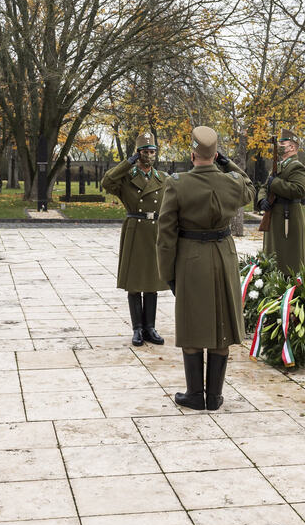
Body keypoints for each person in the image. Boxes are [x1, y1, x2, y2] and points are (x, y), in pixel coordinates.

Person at [157, 126, 255, 410]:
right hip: (223, 256)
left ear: (192, 154)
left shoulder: (177, 183)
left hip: (191, 258)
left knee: (192, 323)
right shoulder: (232, 182)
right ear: (214, 155)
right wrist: (228, 164)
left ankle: (195, 395)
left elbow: (166, 235)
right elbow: (249, 186)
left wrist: (168, 274)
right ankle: (214, 396)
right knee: (220, 322)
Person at [101, 133, 169, 346]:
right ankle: (137, 328)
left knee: (152, 282)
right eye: (146, 152)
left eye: (153, 151)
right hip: (135, 229)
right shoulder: (126, 178)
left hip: (155, 231)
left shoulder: (162, 178)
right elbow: (106, 181)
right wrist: (127, 162)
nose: (150, 155)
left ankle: (150, 327)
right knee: (134, 282)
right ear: (138, 154)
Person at [257, 129, 305, 275]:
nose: (279, 145)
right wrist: (262, 200)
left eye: (282, 142)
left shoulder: (296, 166)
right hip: (275, 216)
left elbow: (300, 190)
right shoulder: (280, 165)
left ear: (292, 147)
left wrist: (275, 183)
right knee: (273, 255)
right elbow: (264, 186)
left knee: (289, 259)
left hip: (288, 218)